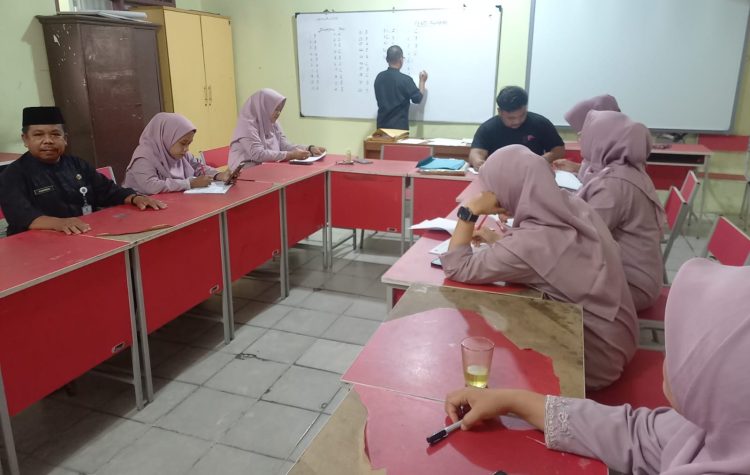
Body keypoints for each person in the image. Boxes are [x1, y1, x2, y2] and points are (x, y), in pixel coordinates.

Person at [444, 258, 750, 475]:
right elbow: (637, 433)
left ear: (723, 378)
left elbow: (459, 263)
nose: (667, 357)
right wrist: (513, 401)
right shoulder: (722, 429)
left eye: (683, 346)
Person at [442, 145, 636, 389]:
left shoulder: (529, 244)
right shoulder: (573, 205)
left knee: (494, 347)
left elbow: (457, 267)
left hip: (590, 361)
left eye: (491, 188)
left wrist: (469, 211)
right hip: (618, 338)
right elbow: (546, 253)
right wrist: (500, 241)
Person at [0, 107, 166, 236]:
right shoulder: (13, 175)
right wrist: (60, 223)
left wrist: (135, 198)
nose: (48, 141)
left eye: (55, 134)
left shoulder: (77, 164)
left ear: (65, 139)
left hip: (83, 234)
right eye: (38, 135)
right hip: (36, 246)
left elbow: (107, 190)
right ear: (25, 139)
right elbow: (21, 216)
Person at [577, 111, 665, 310]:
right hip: (635, 276)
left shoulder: (613, 184)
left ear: (601, 139)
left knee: (547, 280)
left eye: (586, 134)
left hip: (631, 285)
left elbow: (582, 234)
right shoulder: (623, 171)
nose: (581, 139)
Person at [122, 112, 235, 195]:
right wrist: (189, 183)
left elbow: (198, 167)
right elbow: (151, 186)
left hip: (171, 202)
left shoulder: (181, 154)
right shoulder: (143, 156)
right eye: (183, 143)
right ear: (166, 137)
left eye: (189, 143)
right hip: (141, 208)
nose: (186, 149)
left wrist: (219, 175)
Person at [468, 86, 564, 169]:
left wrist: (541, 160)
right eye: (511, 118)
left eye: (522, 115)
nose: (517, 121)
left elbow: (558, 149)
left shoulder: (541, 123)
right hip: (499, 174)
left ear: (526, 108)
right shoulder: (488, 128)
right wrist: (478, 162)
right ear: (499, 111)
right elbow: (476, 153)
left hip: (533, 172)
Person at [228, 89, 326, 170]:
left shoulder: (272, 122)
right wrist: (291, 155)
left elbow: (284, 145)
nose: (278, 113)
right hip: (245, 171)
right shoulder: (247, 125)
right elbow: (258, 154)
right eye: (275, 109)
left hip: (267, 168)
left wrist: (308, 149)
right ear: (263, 107)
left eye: (280, 109)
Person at [552, 94, 621, 175]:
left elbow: (609, 177)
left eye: (582, 133)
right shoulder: (601, 144)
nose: (580, 140)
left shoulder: (621, 148)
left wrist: (577, 168)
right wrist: (577, 168)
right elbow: (596, 169)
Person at [373, 45, 428, 130]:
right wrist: (422, 81)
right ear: (401, 60)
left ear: (387, 59)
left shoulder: (379, 77)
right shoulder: (405, 80)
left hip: (381, 128)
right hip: (399, 129)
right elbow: (417, 99)